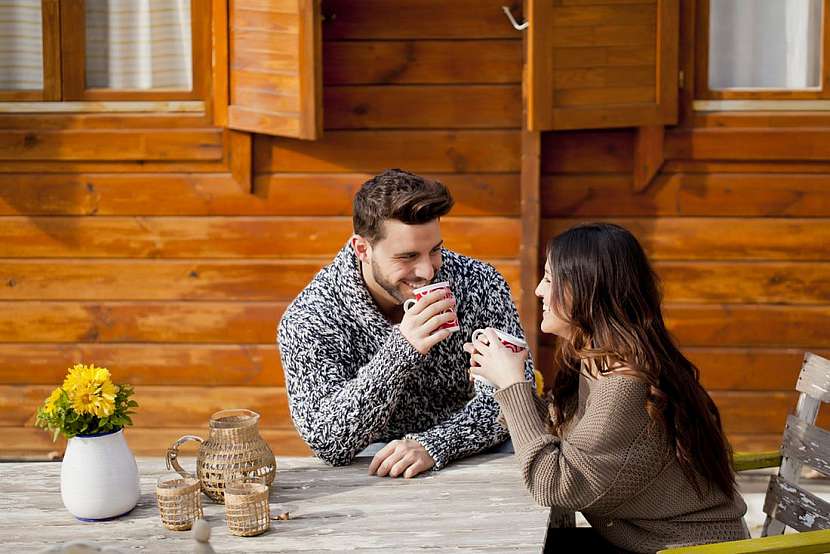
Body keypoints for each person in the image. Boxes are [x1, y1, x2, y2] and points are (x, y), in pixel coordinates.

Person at [466, 223, 749, 553]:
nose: (539, 291)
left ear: (586, 290)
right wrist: (503, 382)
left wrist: (513, 385)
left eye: (549, 279)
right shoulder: (601, 358)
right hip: (644, 539)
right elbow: (568, 435)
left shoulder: (624, 383)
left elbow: (553, 484)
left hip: (689, 548)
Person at [277, 169, 534, 479]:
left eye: (435, 250)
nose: (427, 270)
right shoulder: (311, 317)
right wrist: (401, 351)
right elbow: (328, 441)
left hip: (477, 446)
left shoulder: (480, 282)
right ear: (363, 249)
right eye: (408, 256)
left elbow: (514, 397)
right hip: (375, 458)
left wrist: (436, 444)